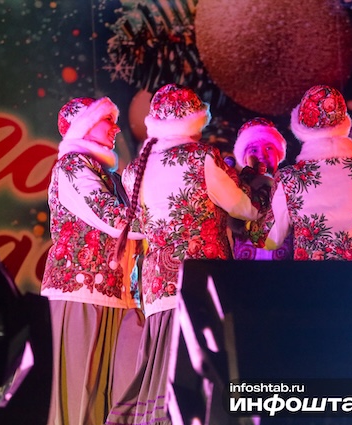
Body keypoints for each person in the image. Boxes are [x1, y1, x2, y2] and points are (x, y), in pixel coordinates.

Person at [106, 83, 261, 425]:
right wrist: (256, 190)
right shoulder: (200, 157)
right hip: (199, 281)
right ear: (195, 120)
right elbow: (242, 207)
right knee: (199, 374)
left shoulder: (135, 169)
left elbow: (141, 225)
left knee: (160, 368)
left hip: (157, 283)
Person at [41, 96, 145, 425]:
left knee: (113, 398)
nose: (116, 128)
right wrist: (174, 218)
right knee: (78, 400)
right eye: (107, 120)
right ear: (84, 126)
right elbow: (113, 218)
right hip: (79, 295)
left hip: (117, 297)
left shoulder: (110, 176)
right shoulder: (71, 166)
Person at [260, 84, 352, 260]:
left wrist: (251, 207)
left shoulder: (289, 179)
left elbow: (270, 239)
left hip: (315, 276)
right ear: (344, 123)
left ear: (301, 128)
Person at [231, 117, 293, 260]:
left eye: (269, 148)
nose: (262, 155)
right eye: (253, 149)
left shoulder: (292, 188)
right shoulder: (232, 190)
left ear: (279, 154)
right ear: (244, 158)